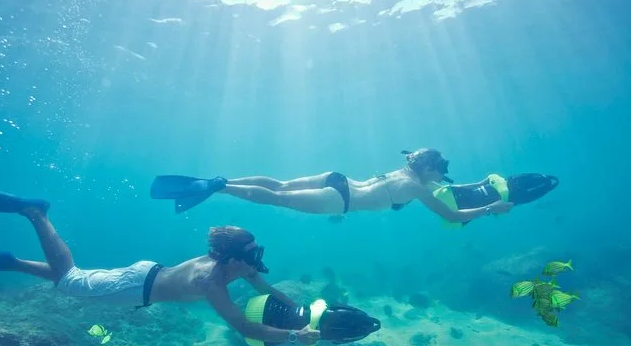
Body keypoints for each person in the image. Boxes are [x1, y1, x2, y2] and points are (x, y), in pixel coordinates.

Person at [0, 183, 321, 346]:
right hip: (137, 288)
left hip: (148, 273)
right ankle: (36, 214)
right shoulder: (211, 281)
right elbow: (244, 327)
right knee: (70, 281)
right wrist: (294, 337)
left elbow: (266, 289)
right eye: (251, 252)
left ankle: (7, 262)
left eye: (256, 251)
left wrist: (299, 310)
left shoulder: (240, 265)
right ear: (232, 257)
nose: (257, 258)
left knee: (72, 278)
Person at [151, 148, 514, 223]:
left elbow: (448, 190)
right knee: (277, 199)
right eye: (441, 169)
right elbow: (451, 215)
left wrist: (480, 183)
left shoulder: (406, 175)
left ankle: (222, 180)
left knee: (279, 185)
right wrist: (489, 207)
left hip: (337, 179)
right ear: (429, 168)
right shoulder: (418, 189)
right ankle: (219, 188)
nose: (443, 175)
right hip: (339, 200)